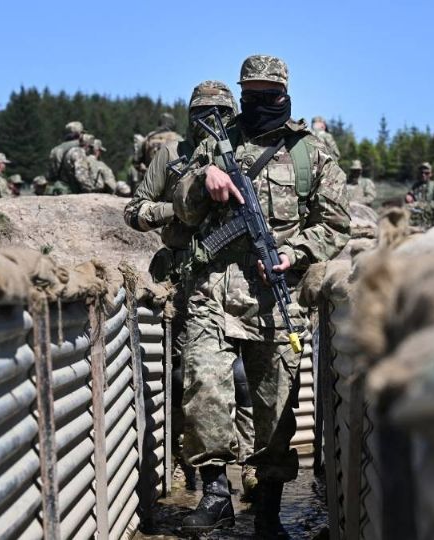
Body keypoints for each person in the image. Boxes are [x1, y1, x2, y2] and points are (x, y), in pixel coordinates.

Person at [173, 55, 350, 536]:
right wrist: (200, 181)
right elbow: (182, 211)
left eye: (268, 95)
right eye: (249, 94)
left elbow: (335, 223)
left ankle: (268, 511)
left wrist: (294, 254)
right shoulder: (214, 143)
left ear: (285, 94)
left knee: (276, 410)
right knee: (203, 388)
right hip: (212, 291)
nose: (258, 102)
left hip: (277, 299)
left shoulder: (308, 153)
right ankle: (215, 493)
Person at [124, 79, 253, 494]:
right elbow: (134, 210)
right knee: (186, 375)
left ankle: (249, 463)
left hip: (238, 280)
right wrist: (180, 208)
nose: (210, 121)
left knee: (244, 377)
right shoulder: (172, 155)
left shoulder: (245, 154)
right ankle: (184, 462)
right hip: (184, 278)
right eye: (202, 113)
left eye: (220, 113)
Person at [133, 112, 183, 192]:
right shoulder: (178, 138)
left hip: (149, 185)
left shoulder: (148, 138)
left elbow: (136, 162)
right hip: (171, 186)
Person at [47, 121, 93, 194]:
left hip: (59, 190)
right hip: (73, 191)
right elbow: (81, 177)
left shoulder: (55, 150)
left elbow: (51, 175)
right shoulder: (78, 149)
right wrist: (89, 190)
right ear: (80, 134)